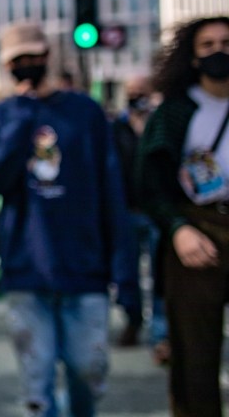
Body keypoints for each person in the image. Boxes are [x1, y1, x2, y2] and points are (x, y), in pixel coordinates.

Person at [0, 21, 136, 417]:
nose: (28, 64)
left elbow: (111, 191)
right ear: (6, 65)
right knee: (38, 384)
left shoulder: (85, 112)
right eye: (18, 60)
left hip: (85, 266)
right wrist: (22, 120)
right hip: (27, 269)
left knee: (88, 369)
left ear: (48, 56)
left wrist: (124, 270)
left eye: (35, 56)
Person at [135, 16, 229, 417]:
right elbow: (148, 184)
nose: (218, 51)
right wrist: (177, 229)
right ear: (192, 57)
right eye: (206, 45)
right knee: (194, 352)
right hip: (197, 230)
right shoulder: (175, 112)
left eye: (226, 42)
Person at [111, 75, 168, 359]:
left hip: (155, 213)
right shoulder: (116, 129)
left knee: (160, 275)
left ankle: (161, 333)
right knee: (126, 274)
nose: (136, 97)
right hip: (127, 213)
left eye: (141, 92)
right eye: (132, 92)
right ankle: (133, 319)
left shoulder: (159, 126)